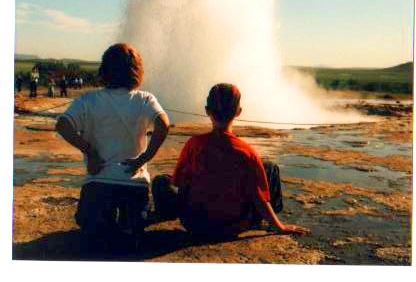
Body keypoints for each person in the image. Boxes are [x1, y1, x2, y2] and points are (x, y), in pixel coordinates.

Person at [152, 83, 308, 238]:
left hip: (194, 223)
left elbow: (180, 183)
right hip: (233, 225)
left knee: (161, 181)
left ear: (207, 110)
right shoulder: (247, 152)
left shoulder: (194, 144)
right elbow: (259, 198)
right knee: (270, 168)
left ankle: (162, 216)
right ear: (238, 112)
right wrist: (279, 227)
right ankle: (268, 220)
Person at [55, 43, 169, 253]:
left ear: (104, 70)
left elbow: (62, 125)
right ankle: (129, 225)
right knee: (129, 235)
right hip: (134, 185)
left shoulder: (88, 100)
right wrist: (144, 158)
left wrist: (90, 151)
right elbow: (163, 124)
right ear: (137, 70)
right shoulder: (145, 99)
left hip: (98, 183)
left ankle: (104, 227)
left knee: (94, 232)